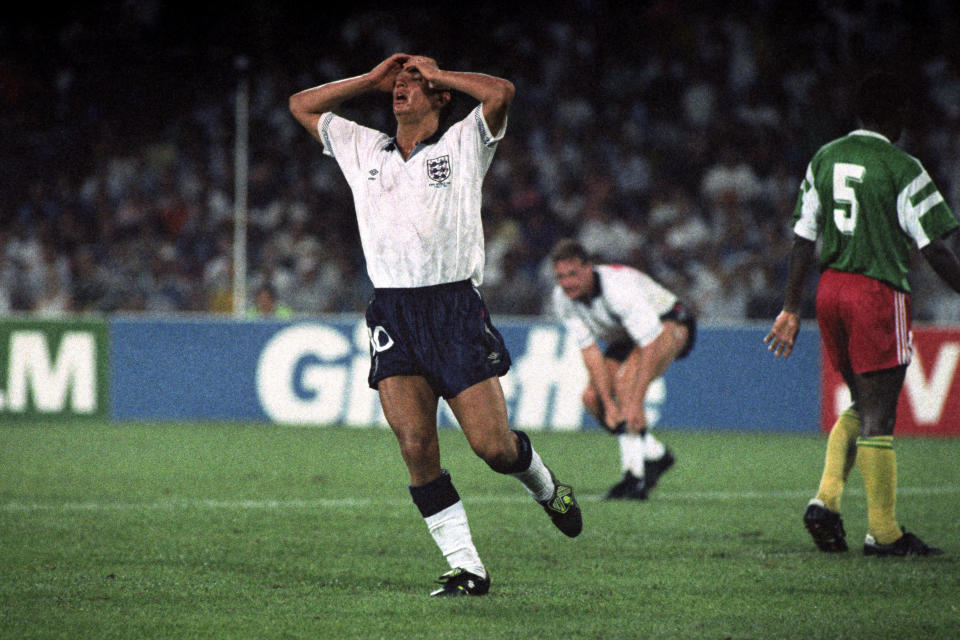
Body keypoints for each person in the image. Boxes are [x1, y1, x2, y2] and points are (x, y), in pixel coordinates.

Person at [289, 53, 581, 596]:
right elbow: (300, 105)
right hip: (393, 311)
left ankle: (546, 488)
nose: (401, 89)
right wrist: (369, 81)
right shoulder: (362, 147)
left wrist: (438, 72)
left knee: (493, 448)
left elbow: (501, 92)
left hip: (453, 309)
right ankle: (468, 567)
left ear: (440, 98)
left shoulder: (463, 143)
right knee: (415, 443)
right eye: (397, 84)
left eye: (412, 83)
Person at [765, 72, 960, 556]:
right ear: (894, 118)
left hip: (830, 291)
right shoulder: (901, 165)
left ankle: (827, 501)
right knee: (880, 412)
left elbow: (802, 239)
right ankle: (884, 532)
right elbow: (934, 248)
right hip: (876, 291)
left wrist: (791, 307)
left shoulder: (825, 157)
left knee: (860, 402)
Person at [550, 238, 695, 500]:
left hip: (668, 322)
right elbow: (591, 352)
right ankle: (655, 455)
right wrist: (609, 402)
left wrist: (635, 400)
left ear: (588, 268)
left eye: (573, 274)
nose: (567, 283)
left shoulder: (618, 290)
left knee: (628, 387)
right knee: (592, 399)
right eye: (561, 277)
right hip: (626, 337)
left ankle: (634, 479)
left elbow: (649, 345)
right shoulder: (563, 299)